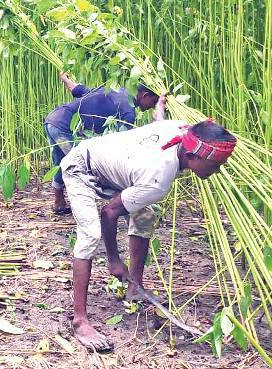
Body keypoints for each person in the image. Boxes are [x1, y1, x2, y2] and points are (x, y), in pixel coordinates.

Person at [61, 119, 236, 351]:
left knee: (145, 215)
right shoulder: (158, 179)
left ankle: (135, 288)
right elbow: (109, 212)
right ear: (192, 156)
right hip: (82, 167)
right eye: (215, 165)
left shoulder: (182, 131)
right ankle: (80, 320)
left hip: (115, 168)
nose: (218, 170)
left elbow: (158, 121)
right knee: (91, 234)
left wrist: (160, 105)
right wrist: (114, 261)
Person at [45, 71, 167, 214]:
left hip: (52, 120)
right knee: (79, 165)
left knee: (61, 162)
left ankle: (59, 203)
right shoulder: (128, 112)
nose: (152, 107)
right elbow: (121, 147)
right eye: (153, 103)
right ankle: (88, 211)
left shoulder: (115, 89)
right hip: (64, 128)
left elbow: (78, 89)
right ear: (145, 96)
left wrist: (65, 78)